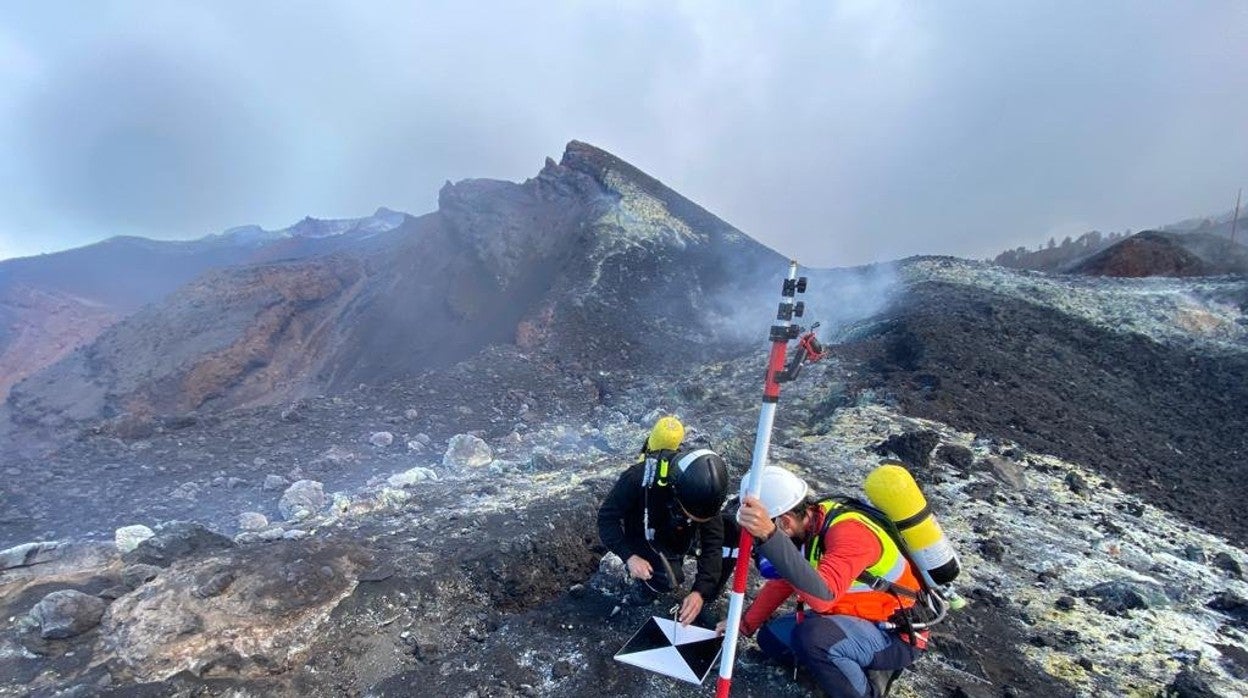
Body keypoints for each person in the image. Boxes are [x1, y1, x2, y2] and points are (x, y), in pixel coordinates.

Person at [727, 466, 926, 698]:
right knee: (771, 638)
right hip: (852, 618)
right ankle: (843, 665)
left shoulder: (850, 534)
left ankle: (868, 689)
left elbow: (823, 597)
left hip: (894, 634)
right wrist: (743, 626)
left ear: (785, 522)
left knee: (812, 638)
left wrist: (771, 537)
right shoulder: (812, 525)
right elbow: (785, 579)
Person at [597, 416, 729, 626]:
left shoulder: (706, 492)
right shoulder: (637, 478)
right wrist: (629, 557)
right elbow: (606, 520)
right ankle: (639, 588)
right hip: (642, 534)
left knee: (733, 529)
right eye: (693, 515)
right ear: (678, 493)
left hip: (676, 534)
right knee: (668, 579)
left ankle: (681, 572)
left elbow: (713, 544)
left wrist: (700, 592)